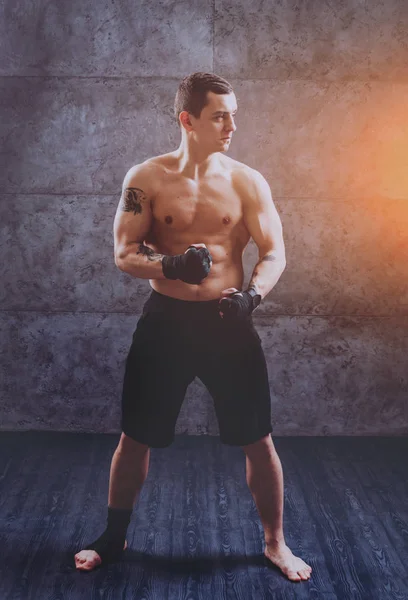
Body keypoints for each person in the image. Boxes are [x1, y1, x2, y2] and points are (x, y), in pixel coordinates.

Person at [74, 72, 312, 583]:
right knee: (134, 438)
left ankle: (276, 544)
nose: (232, 125)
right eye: (219, 115)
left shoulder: (248, 181)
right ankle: (112, 540)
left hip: (229, 322)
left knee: (259, 440)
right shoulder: (146, 179)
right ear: (188, 120)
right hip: (166, 325)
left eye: (233, 114)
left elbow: (275, 253)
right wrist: (172, 266)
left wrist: (253, 295)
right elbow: (124, 253)